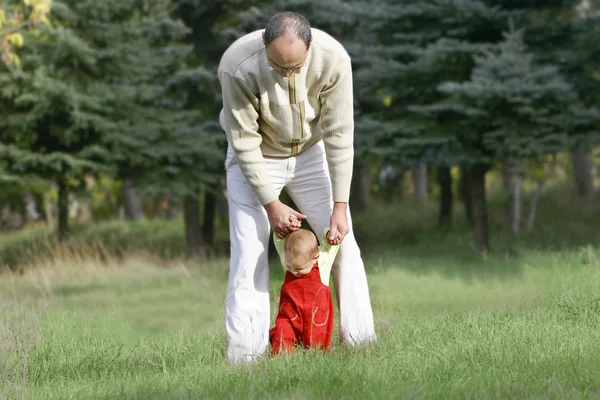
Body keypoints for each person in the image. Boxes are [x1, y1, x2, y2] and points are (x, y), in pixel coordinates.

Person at [218, 11, 377, 364]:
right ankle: (246, 357)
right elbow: (243, 141)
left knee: (344, 245)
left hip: (310, 152)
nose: (286, 73)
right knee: (249, 254)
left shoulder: (334, 59)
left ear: (309, 48)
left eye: (295, 67)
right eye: (278, 66)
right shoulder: (236, 64)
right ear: (264, 46)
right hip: (256, 155)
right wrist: (272, 205)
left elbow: (339, 134)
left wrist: (340, 205)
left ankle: (361, 344)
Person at [269, 224, 339, 355]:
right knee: (281, 332)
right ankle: (282, 359)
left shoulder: (322, 262)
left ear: (315, 259)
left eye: (300, 268)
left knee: (316, 345)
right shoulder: (289, 261)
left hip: (315, 316)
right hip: (290, 315)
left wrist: (330, 233)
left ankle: (314, 360)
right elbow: (279, 240)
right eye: (290, 266)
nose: (294, 271)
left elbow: (331, 246)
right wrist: (287, 227)